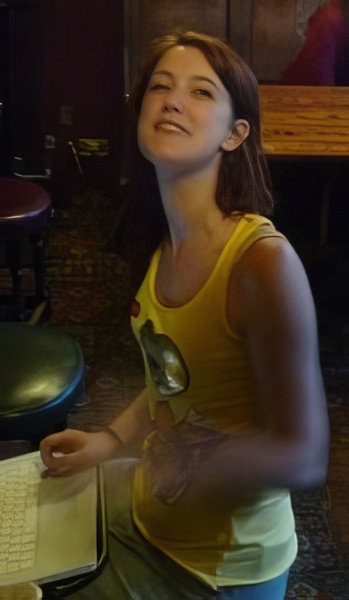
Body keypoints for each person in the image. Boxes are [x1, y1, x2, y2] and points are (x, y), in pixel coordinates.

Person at [40, 30, 330, 600]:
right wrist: (110, 439)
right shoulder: (161, 245)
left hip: (217, 568)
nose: (172, 100)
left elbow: (304, 453)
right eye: (160, 87)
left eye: (200, 92)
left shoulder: (261, 263)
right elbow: (171, 385)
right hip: (153, 519)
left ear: (234, 134)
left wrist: (195, 468)